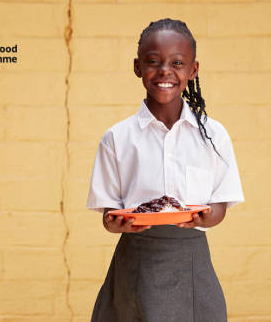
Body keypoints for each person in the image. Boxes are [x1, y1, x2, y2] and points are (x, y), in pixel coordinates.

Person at [86, 18, 244, 322]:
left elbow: (221, 204)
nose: (165, 71)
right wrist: (116, 223)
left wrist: (208, 216)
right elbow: (109, 215)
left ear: (193, 70)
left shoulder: (214, 135)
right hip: (135, 263)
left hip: (192, 262)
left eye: (177, 62)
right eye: (153, 62)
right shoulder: (117, 139)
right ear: (137, 67)